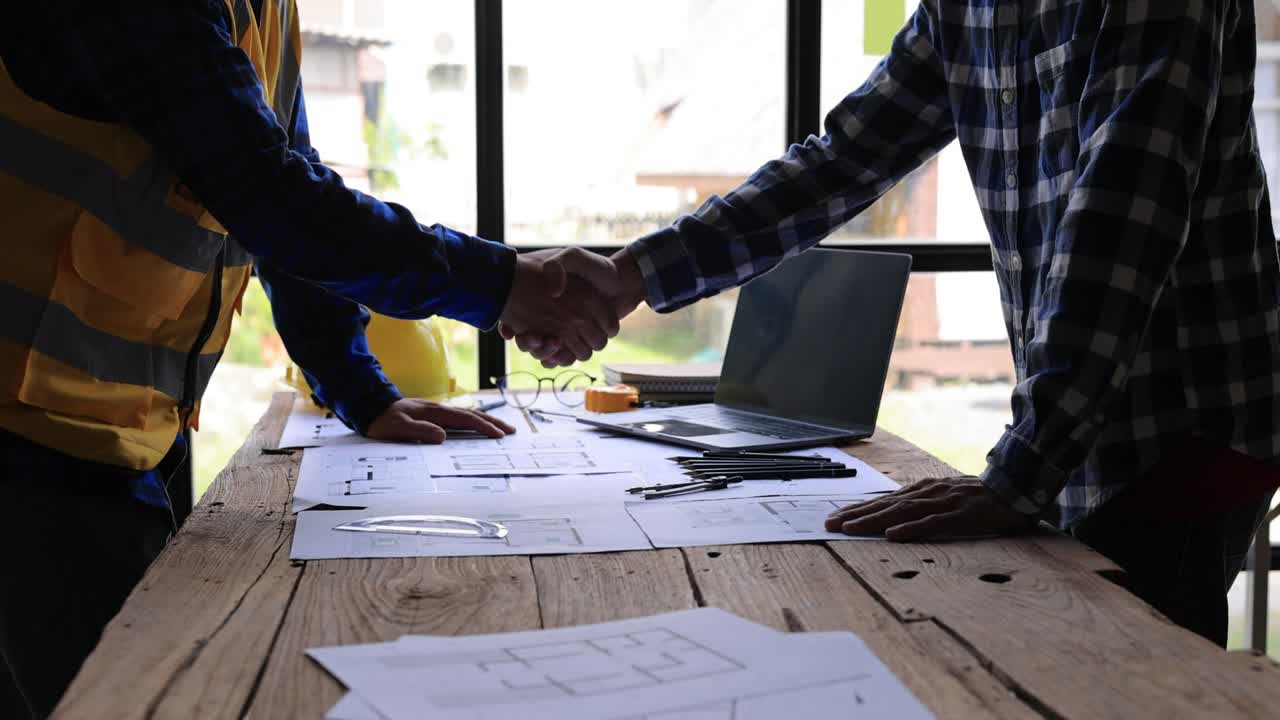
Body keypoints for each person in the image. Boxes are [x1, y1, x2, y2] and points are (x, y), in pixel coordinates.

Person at [513, 1, 1280, 647]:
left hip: (1187, 417)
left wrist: (1017, 476)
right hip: (1083, 423)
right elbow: (840, 162)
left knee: (1139, 671)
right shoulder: (963, 8)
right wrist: (632, 273)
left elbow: (1119, 225)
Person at [0, 1, 617, 716]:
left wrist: (363, 391)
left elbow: (288, 189)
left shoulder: (266, 10)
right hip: (29, 438)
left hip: (119, 426)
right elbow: (270, 197)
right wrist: (502, 284)